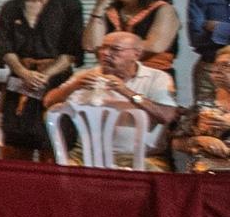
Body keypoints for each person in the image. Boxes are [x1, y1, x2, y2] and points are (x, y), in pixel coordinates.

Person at [44, 32, 179, 166]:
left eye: (115, 49)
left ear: (136, 54)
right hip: (86, 156)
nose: (106, 53)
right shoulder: (86, 75)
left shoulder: (157, 78)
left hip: (142, 158)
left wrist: (127, 92)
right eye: (103, 48)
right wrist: (74, 86)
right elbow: (49, 102)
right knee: (56, 181)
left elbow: (166, 116)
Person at [0, 0, 85, 160]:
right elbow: (5, 47)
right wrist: (22, 72)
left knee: (53, 141)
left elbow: (71, 50)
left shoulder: (70, 7)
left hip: (55, 79)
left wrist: (46, 74)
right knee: (15, 141)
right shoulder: (11, 7)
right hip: (20, 78)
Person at [85, 0, 181, 73]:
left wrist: (108, 48)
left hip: (153, 75)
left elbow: (155, 46)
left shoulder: (163, 9)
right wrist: (98, 6)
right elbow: (90, 46)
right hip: (113, 76)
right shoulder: (109, 12)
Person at [171, 51, 230, 172]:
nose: (217, 70)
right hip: (204, 173)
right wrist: (198, 141)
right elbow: (176, 142)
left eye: (226, 65)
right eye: (215, 65)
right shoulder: (204, 102)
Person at [187, 0, 230, 102]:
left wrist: (218, 28)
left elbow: (209, 30)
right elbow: (197, 37)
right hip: (210, 67)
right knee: (207, 120)